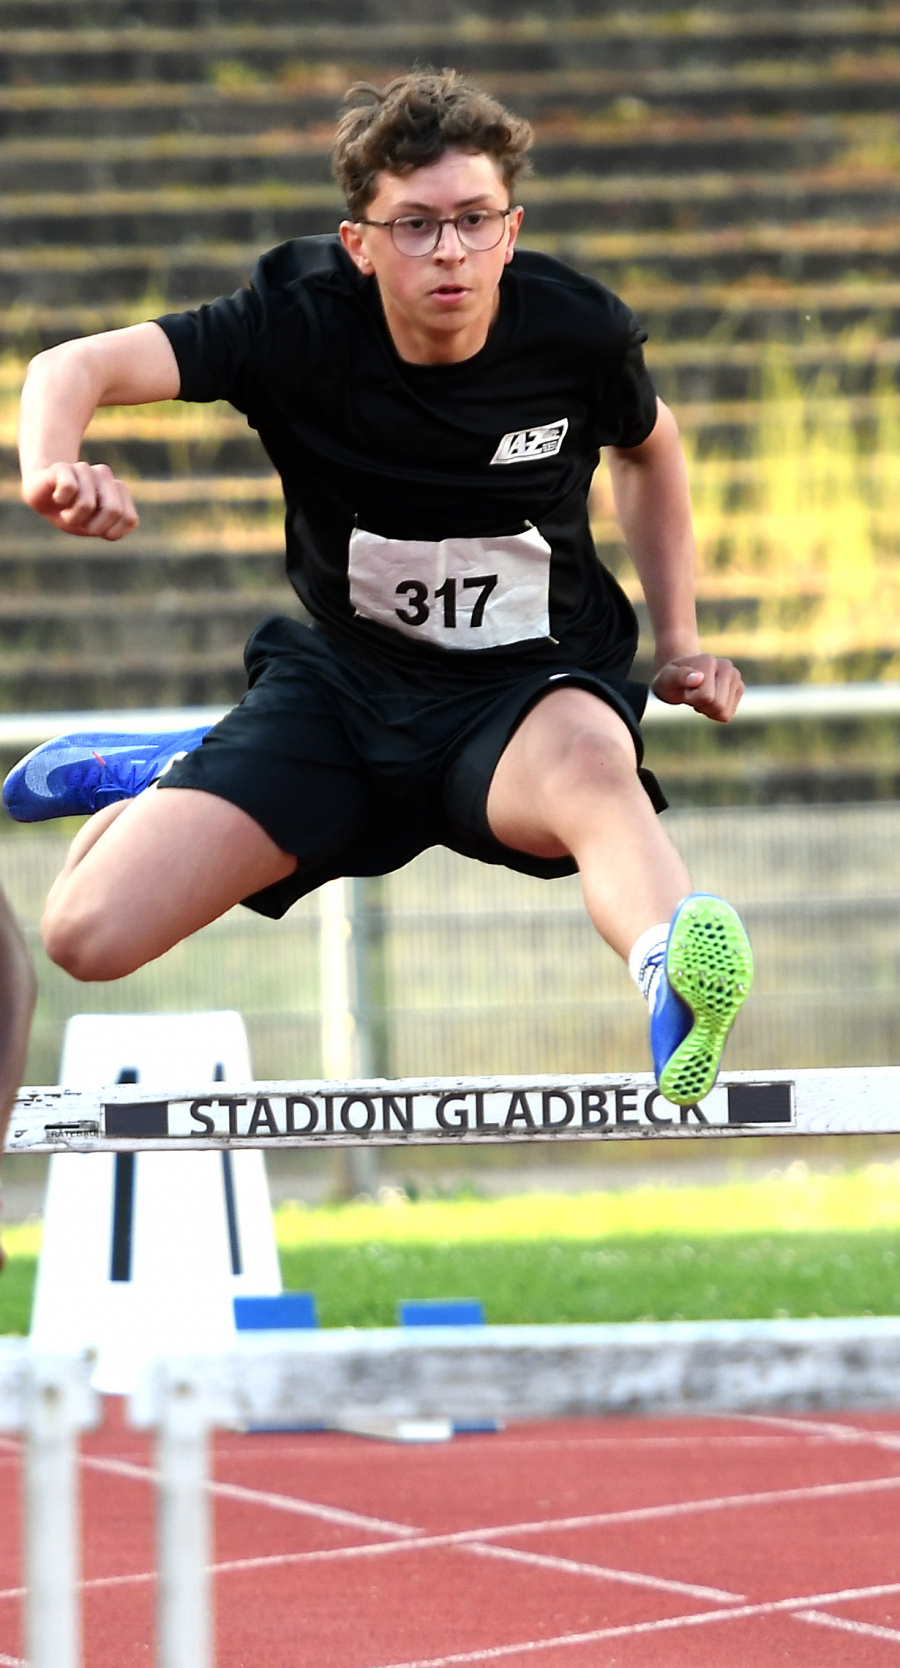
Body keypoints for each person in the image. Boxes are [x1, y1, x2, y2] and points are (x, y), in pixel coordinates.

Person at [5, 69, 752, 1107]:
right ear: (360, 242)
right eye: (415, 226)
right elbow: (67, 368)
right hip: (343, 695)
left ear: (511, 225)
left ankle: (671, 968)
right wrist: (50, 466)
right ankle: (178, 768)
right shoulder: (295, 319)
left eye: (475, 221)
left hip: (522, 697)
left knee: (592, 757)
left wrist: (679, 639)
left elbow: (651, 448)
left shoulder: (577, 334)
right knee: (85, 934)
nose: (450, 251)